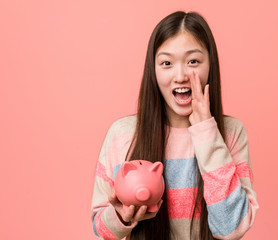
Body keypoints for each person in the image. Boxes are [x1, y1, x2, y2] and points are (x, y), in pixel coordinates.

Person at [91, 11, 259, 240]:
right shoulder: (123, 134)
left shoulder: (230, 133)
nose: (180, 76)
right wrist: (122, 217)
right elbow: (101, 229)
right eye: (167, 63)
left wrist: (206, 131)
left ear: (210, 65)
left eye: (193, 61)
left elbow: (230, 228)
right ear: (154, 69)